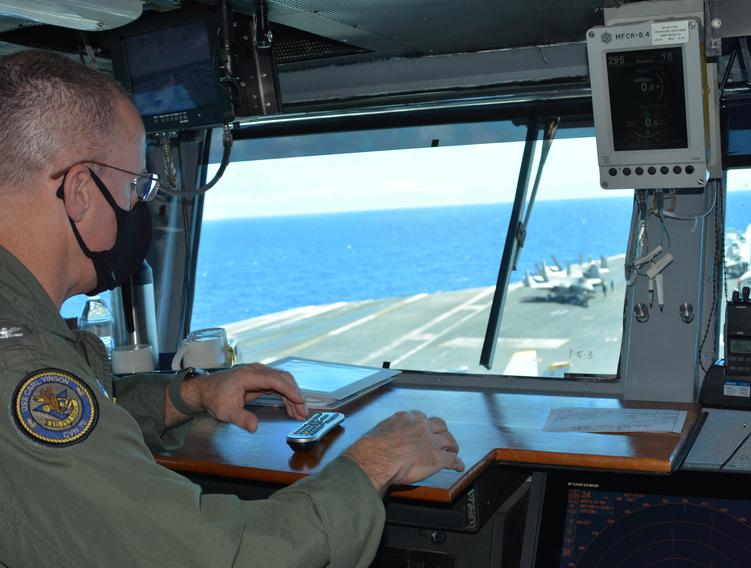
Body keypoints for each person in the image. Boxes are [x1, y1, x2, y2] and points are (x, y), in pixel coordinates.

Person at [0, 50, 464, 567]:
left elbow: (63, 430)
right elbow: (217, 558)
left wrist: (190, 393)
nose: (140, 208)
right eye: (137, 186)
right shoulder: (20, 366)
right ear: (81, 192)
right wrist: (374, 461)